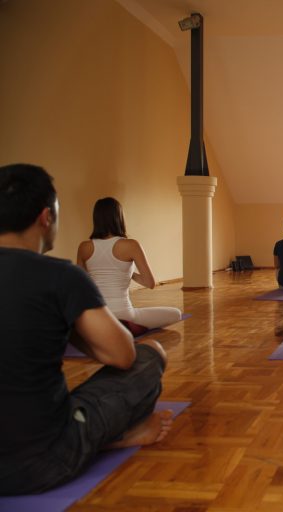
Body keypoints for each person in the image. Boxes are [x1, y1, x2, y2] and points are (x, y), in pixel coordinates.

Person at [0, 164, 172, 495]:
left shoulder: (83, 251)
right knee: (150, 354)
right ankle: (107, 438)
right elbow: (123, 357)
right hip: (45, 462)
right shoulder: (59, 276)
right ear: (46, 217)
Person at [76, 197, 182, 329]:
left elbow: (79, 286)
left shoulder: (84, 247)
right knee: (176, 314)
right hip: (124, 314)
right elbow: (149, 283)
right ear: (119, 217)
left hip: (96, 315)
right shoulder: (131, 245)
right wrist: (128, 273)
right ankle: (125, 327)